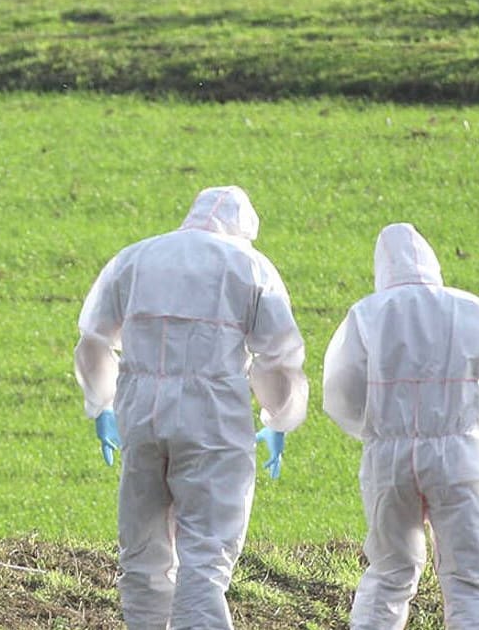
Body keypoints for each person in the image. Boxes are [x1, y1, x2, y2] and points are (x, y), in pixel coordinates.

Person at [74, 184, 308, 630]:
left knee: (143, 552)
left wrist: (101, 402)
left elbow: (95, 339)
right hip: (212, 420)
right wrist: (280, 416)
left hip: (141, 415)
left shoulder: (136, 258)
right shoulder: (249, 267)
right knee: (205, 556)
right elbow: (278, 357)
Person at [323, 222, 479, 630]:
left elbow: (340, 392)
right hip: (458, 455)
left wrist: (375, 431)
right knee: (471, 575)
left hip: (389, 458)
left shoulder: (366, 315)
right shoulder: (475, 312)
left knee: (389, 572)